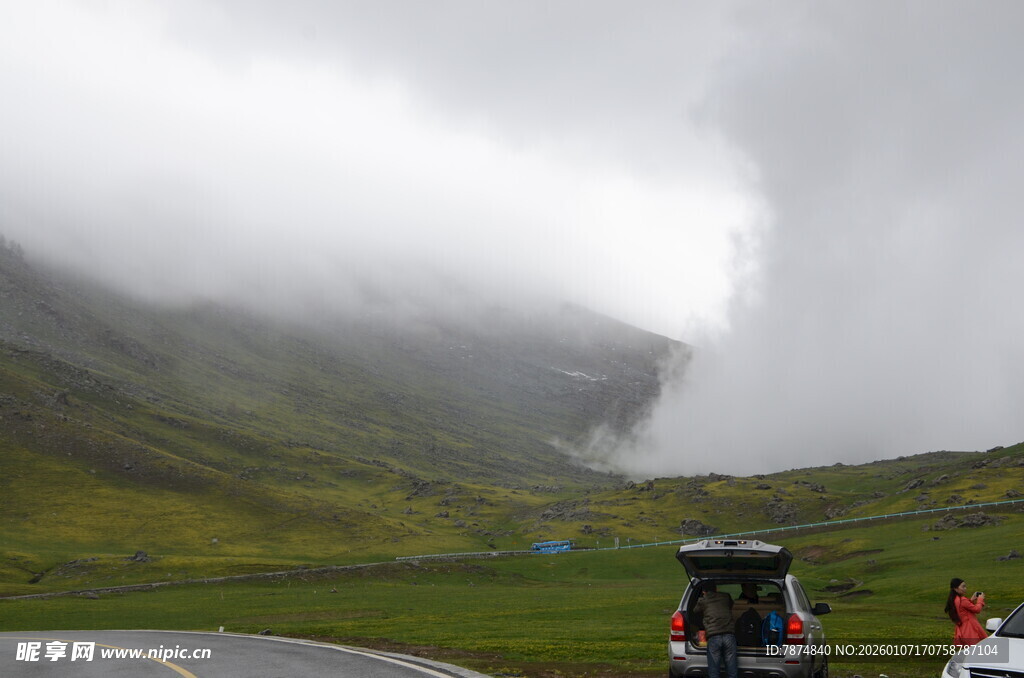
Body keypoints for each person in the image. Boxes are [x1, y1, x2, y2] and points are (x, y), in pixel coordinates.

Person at [694, 583, 738, 678]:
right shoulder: (726, 596)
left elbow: (694, 611)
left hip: (714, 636)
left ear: (703, 592)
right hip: (729, 635)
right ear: (716, 589)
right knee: (732, 671)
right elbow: (730, 605)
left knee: (714, 672)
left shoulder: (703, 600)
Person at [944, 577, 988, 646]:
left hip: (962, 629)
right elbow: (977, 609)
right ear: (955, 588)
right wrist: (980, 600)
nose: (965, 588)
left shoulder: (954, 599)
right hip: (970, 629)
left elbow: (963, 609)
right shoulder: (962, 600)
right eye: (963, 587)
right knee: (978, 648)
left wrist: (971, 600)